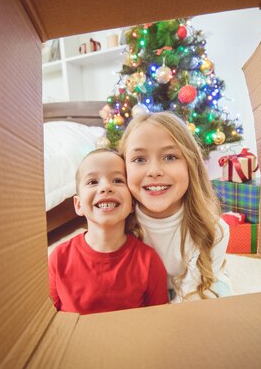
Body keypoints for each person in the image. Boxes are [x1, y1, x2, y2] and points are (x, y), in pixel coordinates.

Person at [118, 112, 231, 303]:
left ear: (191, 164)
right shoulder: (118, 226)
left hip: (194, 290)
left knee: (215, 300)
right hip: (145, 293)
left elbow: (191, 297)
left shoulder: (214, 230)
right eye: (139, 159)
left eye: (170, 157)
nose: (154, 171)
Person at [48, 148, 168, 315]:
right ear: (78, 204)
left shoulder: (148, 261)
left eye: (118, 180)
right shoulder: (58, 258)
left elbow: (159, 319)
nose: (106, 188)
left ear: (132, 203)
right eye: (92, 182)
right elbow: (47, 319)